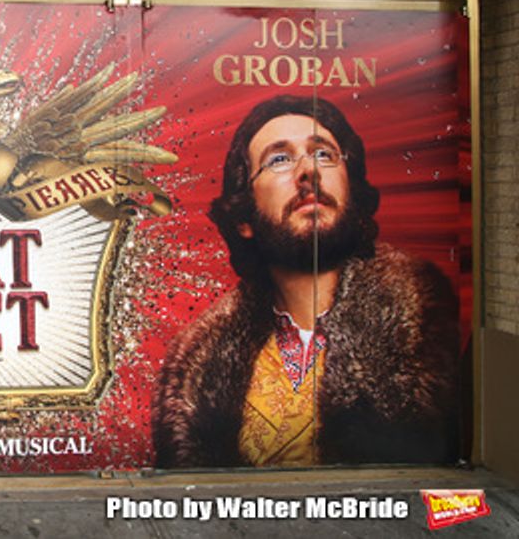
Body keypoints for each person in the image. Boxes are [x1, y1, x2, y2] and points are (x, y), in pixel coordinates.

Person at [153, 95, 458, 468]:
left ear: (352, 192)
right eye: (279, 159)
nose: (307, 171)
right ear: (243, 219)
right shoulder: (196, 367)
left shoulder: (430, 321)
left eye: (324, 154)